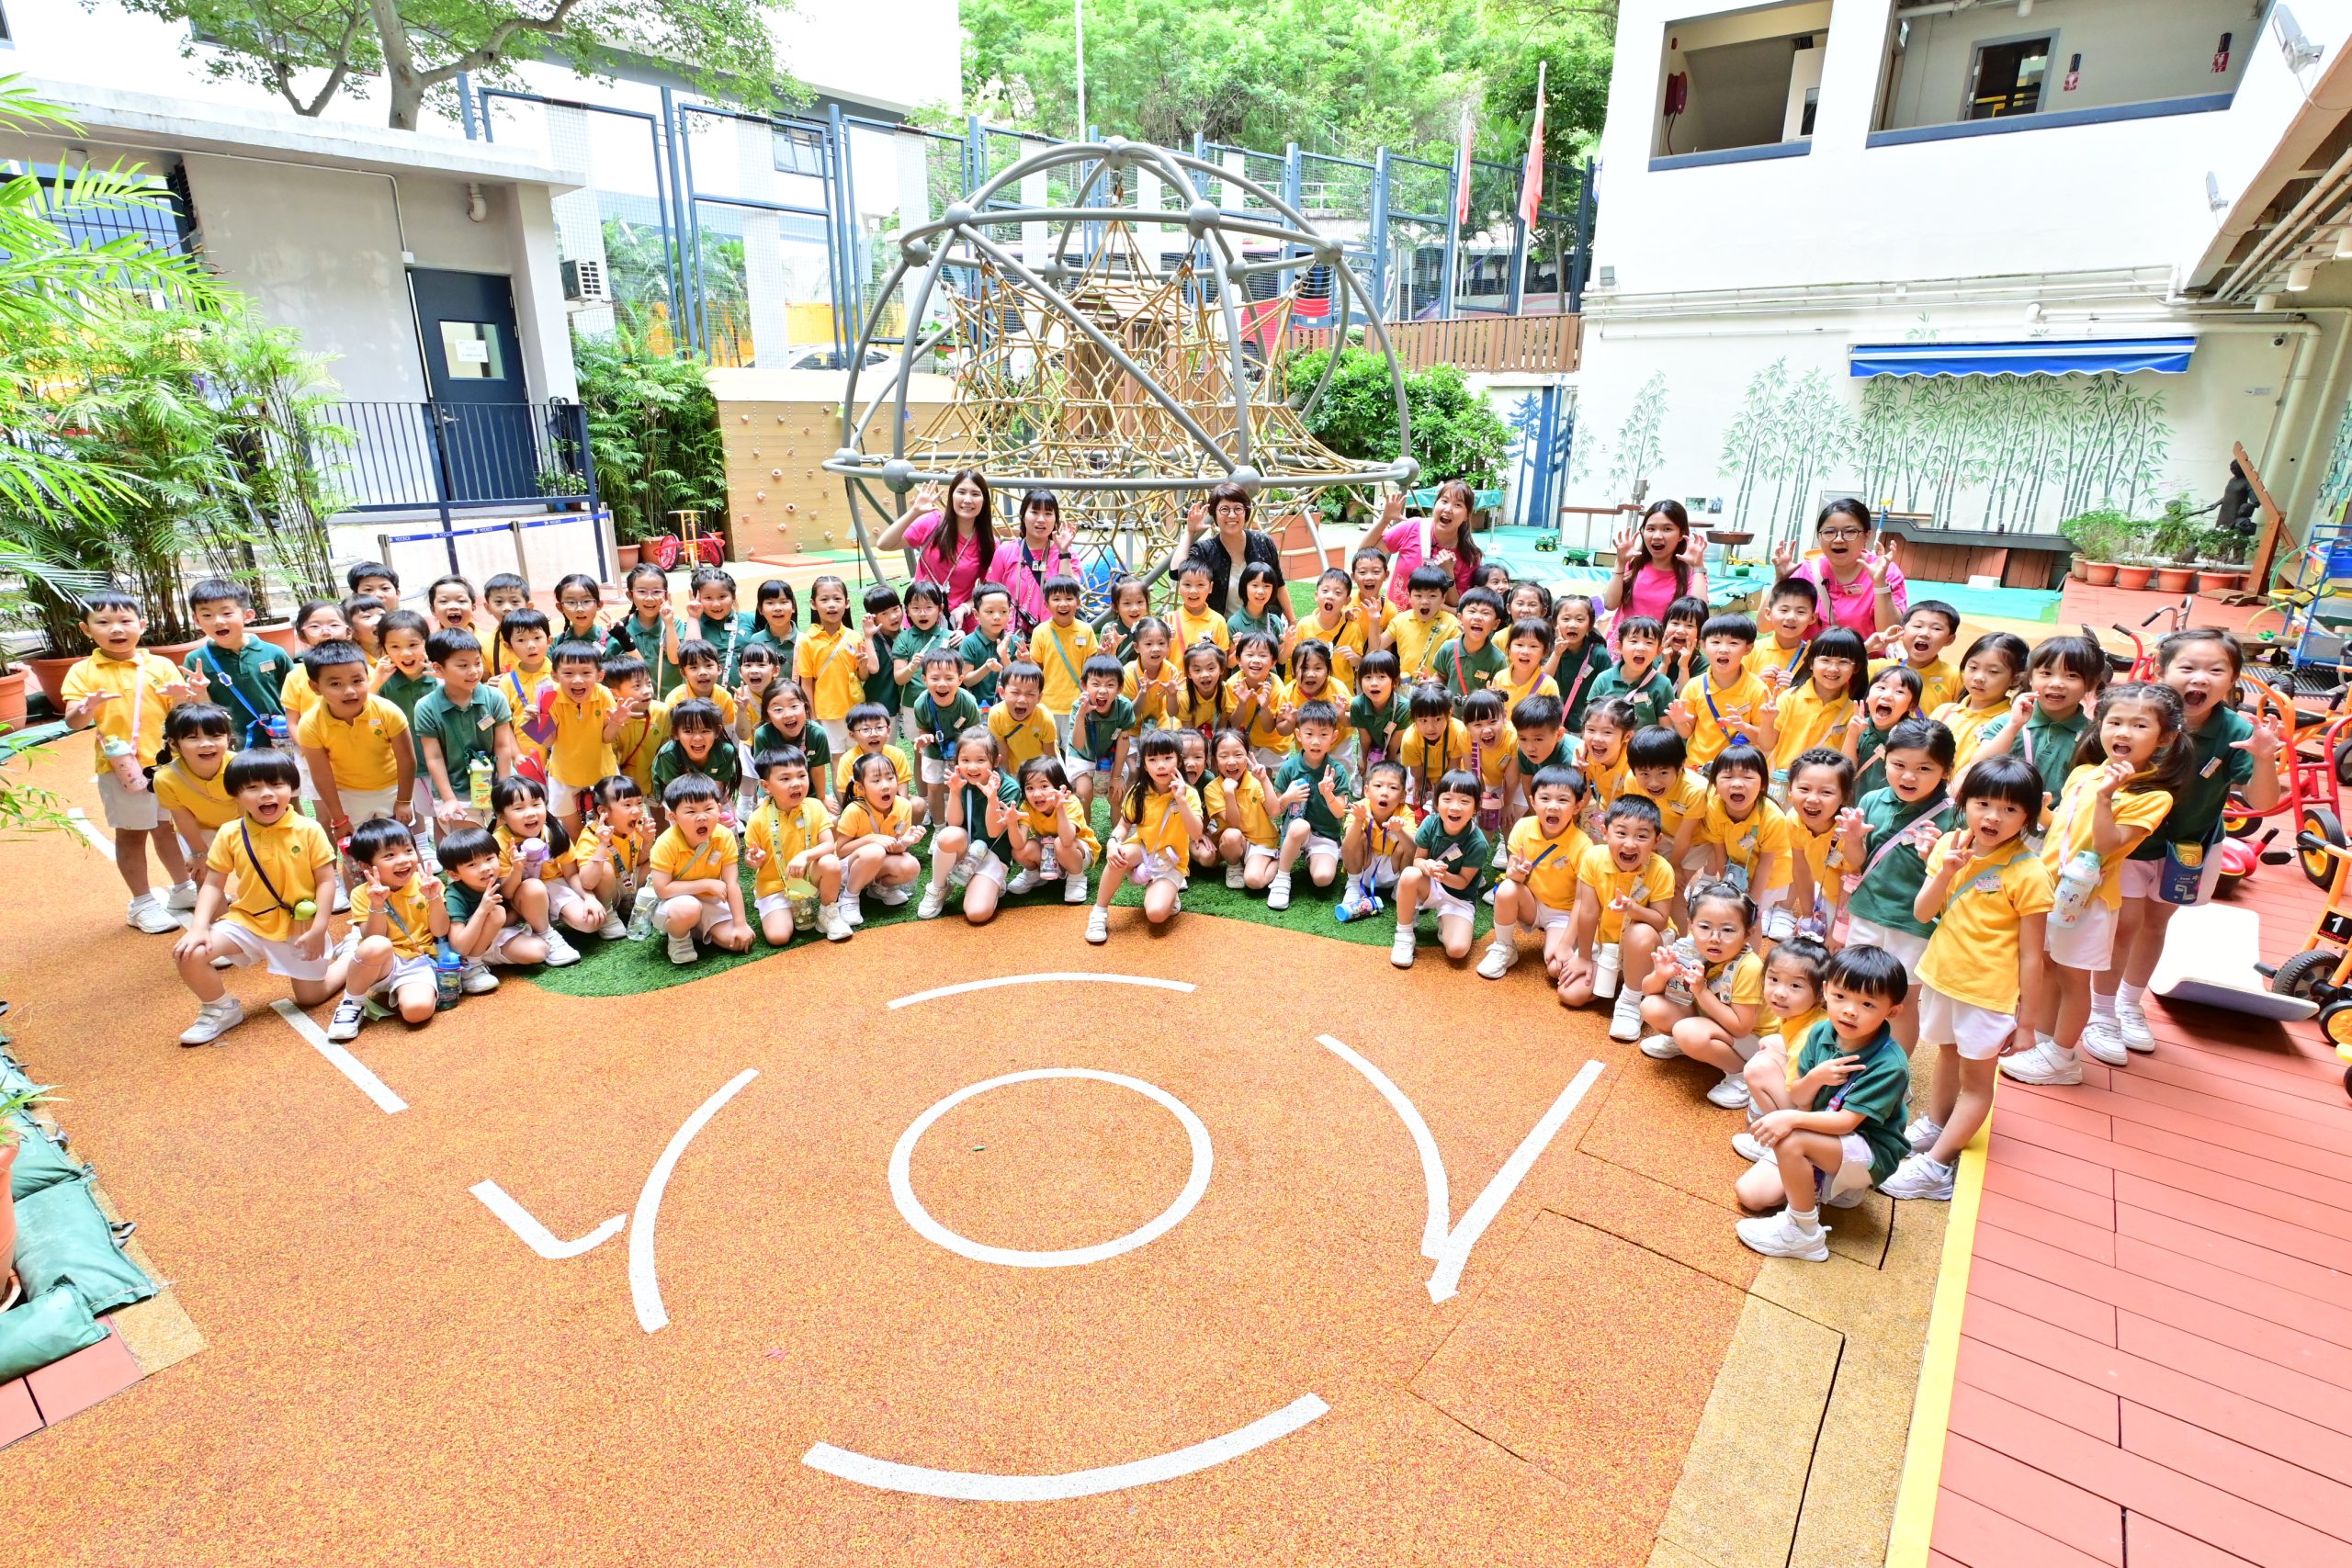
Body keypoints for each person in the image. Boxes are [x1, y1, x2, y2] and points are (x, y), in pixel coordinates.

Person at [2096, 628, 2283, 1057]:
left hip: (2187, 850)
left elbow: (2263, 802)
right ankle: (2101, 1012)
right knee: (2123, 927)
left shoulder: (2234, 730)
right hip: (2128, 843)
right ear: (2162, 671)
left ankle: (2129, 1003)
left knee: (2155, 925)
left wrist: (2263, 758)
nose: (2200, 678)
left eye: (2215, 670)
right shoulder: (2138, 715)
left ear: (2232, 680)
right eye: (2188, 667)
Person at [1881, 755, 2054, 1201]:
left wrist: (2028, 1023)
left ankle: (1937, 1167)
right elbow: (1922, 913)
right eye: (1983, 804)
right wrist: (1946, 871)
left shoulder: (2029, 872)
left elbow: (2033, 956)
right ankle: (1937, 1126)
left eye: (2010, 809)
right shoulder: (1950, 846)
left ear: (2028, 817)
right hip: (1942, 978)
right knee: (1947, 1053)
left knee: (1977, 1082)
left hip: (1989, 994)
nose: (1993, 817)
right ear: (1965, 803)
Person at [2005, 682, 2191, 1086]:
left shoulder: (2153, 795)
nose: (2124, 732)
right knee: (2049, 966)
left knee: (2074, 979)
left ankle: (2063, 1057)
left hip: (2088, 901)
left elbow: (2108, 843)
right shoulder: (2085, 773)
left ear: (2165, 738)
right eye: (2115, 722)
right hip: (2050, 888)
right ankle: (2044, 1041)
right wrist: (2044, 812)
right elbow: (2065, 830)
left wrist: (2107, 797)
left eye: (2140, 725)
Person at [1733, 944, 1912, 1263]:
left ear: (1892, 1011)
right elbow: (1801, 1097)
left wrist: (1788, 1121)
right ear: (1826, 991)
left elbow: (1846, 1123)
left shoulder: (1890, 1064)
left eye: (1867, 1004)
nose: (1850, 1011)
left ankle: (1804, 1233)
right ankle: (1833, 1184)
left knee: (1791, 1138)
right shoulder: (1821, 1032)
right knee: (1750, 1195)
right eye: (1841, 996)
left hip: (1868, 1149)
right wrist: (1816, 1077)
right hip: (1825, 1132)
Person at [171, 749, 343, 1044]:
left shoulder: (309, 830)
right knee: (190, 953)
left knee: (311, 998)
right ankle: (220, 1009)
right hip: (249, 921)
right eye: (252, 787)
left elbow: (327, 881)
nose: (266, 794)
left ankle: (351, 956)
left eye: (276, 784)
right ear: (236, 794)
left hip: (300, 927)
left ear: (291, 788)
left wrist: (319, 929)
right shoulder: (230, 833)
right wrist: (198, 927)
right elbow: (213, 883)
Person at [62, 590, 197, 930]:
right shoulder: (82, 671)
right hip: (121, 768)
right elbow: (73, 722)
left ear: (142, 624)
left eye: (125, 620)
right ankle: (142, 903)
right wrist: (86, 707)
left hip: (167, 765)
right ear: (86, 629)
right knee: (132, 835)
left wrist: (182, 699)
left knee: (168, 828)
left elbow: (181, 716)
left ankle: (183, 889)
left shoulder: (160, 665)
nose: (116, 628)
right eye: (103, 622)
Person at [1837, 716, 1955, 1050]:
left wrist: (1931, 857)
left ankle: (1895, 1071)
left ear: (1945, 771)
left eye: (1924, 768)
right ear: (1885, 759)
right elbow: (1859, 862)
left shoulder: (1954, 816)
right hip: (1867, 911)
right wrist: (1853, 839)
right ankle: (1853, 1059)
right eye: (1899, 764)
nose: (1908, 776)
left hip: (1913, 924)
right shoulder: (1872, 800)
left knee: (1900, 1002)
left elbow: (1952, 880)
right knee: (1856, 990)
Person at [1636, 877, 1765, 1108]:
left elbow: (1741, 1028)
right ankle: (1684, 1044)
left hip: (1755, 1043)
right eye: (1705, 927)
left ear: (1748, 933)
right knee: (1651, 1006)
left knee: (1688, 1032)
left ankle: (1741, 1074)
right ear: (1691, 925)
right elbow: (1647, 991)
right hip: (1714, 1021)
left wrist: (1701, 991)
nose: (1715, 938)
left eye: (1728, 930)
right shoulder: (1690, 949)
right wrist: (1661, 975)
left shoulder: (1749, 967)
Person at [327, 818, 447, 1043]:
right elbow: (374, 938)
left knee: (417, 1012)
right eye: (390, 855)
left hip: (417, 961)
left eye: (408, 850)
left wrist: (434, 899)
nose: (403, 860)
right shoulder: (362, 893)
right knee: (375, 944)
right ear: (366, 866)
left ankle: (399, 986)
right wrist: (377, 905)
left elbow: (440, 931)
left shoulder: (426, 884)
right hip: (384, 960)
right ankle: (352, 1003)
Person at [1560, 795, 1674, 1034]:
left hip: (1648, 942)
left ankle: (1630, 1002)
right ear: (1605, 833)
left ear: (1657, 841)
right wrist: (1583, 957)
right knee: (1570, 994)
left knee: (1639, 933)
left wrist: (1633, 909)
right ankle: (1627, 977)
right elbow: (1588, 911)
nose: (1630, 844)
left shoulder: (1661, 869)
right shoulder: (1593, 857)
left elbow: (1660, 920)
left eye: (1642, 836)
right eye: (1621, 833)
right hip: (1608, 943)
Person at [296, 639, 416, 858]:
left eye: (357, 680)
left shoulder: (387, 711)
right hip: (348, 793)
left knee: (400, 848)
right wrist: (339, 818)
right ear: (316, 687)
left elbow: (407, 759)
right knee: (355, 855)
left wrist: (404, 801)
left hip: (391, 788)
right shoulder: (310, 724)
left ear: (368, 677)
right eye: (336, 684)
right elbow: (321, 775)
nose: (349, 691)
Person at [1086, 729, 1204, 944]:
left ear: (1178, 761)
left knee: (1156, 914)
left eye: (1167, 758)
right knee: (1119, 855)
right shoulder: (1139, 791)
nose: (1161, 765)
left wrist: (1182, 801)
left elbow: (1196, 834)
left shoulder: (1189, 794)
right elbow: (1124, 825)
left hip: (1171, 861)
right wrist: (1113, 842)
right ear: (1145, 764)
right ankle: (1099, 912)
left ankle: (1167, 891)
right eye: (1153, 759)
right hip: (1143, 849)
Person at [1972, 633, 2105, 820]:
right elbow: (1977, 770)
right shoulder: (2005, 722)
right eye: (2046, 673)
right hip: (1997, 822)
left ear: (2092, 683)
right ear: (2030, 678)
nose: (2056, 684)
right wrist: (2013, 726)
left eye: (2071, 676)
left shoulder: (2093, 736)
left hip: (2054, 829)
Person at [1480, 762, 1591, 980]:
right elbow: (1512, 873)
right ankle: (1504, 946)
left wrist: (1566, 943)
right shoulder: (1523, 827)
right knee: (1507, 888)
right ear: (1533, 801)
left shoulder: (1583, 846)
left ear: (1577, 806)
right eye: (1545, 798)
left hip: (1562, 914)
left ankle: (1578, 948)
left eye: (1563, 800)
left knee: (1556, 969)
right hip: (1531, 904)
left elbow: (1582, 901)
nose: (1553, 806)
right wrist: (1516, 873)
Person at [412, 629, 518, 832]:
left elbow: (503, 746)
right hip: (456, 792)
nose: (473, 671)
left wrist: (504, 789)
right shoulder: (426, 707)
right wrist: (449, 799)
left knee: (504, 840)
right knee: (470, 844)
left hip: (497, 784)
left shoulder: (495, 698)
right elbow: (434, 757)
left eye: (477, 663)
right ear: (438, 668)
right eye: (463, 665)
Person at [1734, 937, 1830, 1150]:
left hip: (1820, 1112)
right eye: (1774, 979)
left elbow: (1804, 1100)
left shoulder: (1807, 1035)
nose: (1779, 992)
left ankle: (1779, 1141)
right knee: (1770, 1043)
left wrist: (1799, 1140)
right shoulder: (1808, 1015)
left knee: (1756, 1070)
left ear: (1821, 994)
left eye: (1795, 985)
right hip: (1823, 1097)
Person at [920, 731, 1023, 925]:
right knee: (948, 836)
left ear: (996, 761)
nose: (972, 767)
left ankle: (992, 884)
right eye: (965, 760)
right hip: (967, 848)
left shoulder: (1009, 788)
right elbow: (954, 824)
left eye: (981, 760)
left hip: (993, 855)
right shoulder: (961, 780)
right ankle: (938, 887)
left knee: (977, 913)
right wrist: (955, 791)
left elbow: (993, 832)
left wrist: (992, 798)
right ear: (957, 761)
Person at [489, 775, 595, 963]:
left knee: (591, 923)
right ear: (502, 816)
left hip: (554, 884)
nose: (530, 813)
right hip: (523, 893)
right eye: (519, 808)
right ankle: (545, 933)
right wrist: (516, 869)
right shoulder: (498, 842)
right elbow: (507, 893)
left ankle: (544, 919)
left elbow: (571, 873)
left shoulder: (554, 832)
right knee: (534, 887)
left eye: (536, 804)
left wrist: (589, 898)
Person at [650, 774, 755, 964]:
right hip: (674, 903)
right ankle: (678, 938)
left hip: (710, 902)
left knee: (738, 942)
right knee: (688, 909)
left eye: (708, 809)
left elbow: (732, 884)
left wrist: (741, 924)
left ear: (719, 809)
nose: (701, 817)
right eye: (690, 811)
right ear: (674, 817)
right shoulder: (665, 843)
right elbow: (662, 890)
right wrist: (706, 884)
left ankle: (696, 928)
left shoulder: (724, 836)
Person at [1770, 499, 1908, 641]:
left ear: (1867, 536)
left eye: (1850, 532)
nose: (1838, 539)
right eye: (1829, 532)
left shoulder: (1885, 571)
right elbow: (1765, 625)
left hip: (1866, 656)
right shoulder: (1805, 572)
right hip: (1812, 655)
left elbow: (1890, 634)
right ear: (1819, 536)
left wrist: (1880, 584)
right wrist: (1780, 579)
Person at [181, 578, 294, 750]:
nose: (218, 621)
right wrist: (199, 692)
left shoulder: (274, 653)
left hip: (277, 741)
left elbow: (296, 696)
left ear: (247, 615)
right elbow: (200, 712)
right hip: (230, 747)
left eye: (226, 613)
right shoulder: (196, 660)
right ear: (196, 620)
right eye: (207, 615)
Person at [1391, 769, 1488, 967]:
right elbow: (1418, 860)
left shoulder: (1478, 843)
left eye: (1464, 801)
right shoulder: (1430, 823)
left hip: (1459, 898)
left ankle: (1447, 922)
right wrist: (1425, 865)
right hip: (1430, 885)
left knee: (1457, 951)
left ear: (1476, 807)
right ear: (1436, 803)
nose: (1455, 807)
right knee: (1409, 874)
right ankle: (1404, 934)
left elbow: (1463, 883)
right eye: (1447, 799)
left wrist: (1443, 876)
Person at [743, 745, 837, 947]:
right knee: (778, 937)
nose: (796, 783)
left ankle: (828, 913)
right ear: (766, 786)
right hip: (776, 886)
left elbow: (829, 845)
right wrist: (754, 860)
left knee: (830, 862)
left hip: (810, 880)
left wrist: (805, 856)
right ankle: (778, 908)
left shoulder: (815, 806)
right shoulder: (757, 819)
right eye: (785, 779)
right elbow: (751, 859)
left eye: (802, 775)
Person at [1266, 700, 1354, 910]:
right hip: (1296, 832)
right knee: (1300, 826)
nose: (1316, 741)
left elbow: (1339, 813)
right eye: (1309, 734)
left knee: (1323, 879)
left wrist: (1328, 794)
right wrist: (1288, 797)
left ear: (1334, 736)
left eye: (1323, 734)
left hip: (1325, 835)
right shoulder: (1289, 767)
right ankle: (1282, 878)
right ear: (1298, 735)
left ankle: (1314, 856)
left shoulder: (1337, 771)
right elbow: (1275, 811)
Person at [1758, 627, 1865, 794]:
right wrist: (1767, 720)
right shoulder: (1789, 698)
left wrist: (1853, 733)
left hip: (1821, 795)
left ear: (1856, 667)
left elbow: (1848, 766)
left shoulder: (1854, 712)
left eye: (1843, 662)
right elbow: (1766, 745)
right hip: (1781, 789)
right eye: (1825, 660)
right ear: (1810, 663)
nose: (1833, 668)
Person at [879, 470, 998, 619]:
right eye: (961, 492)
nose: (967, 500)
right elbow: (884, 544)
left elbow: (989, 590)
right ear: (952, 495)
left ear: (984, 500)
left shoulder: (989, 542)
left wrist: (964, 608)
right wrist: (914, 511)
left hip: (957, 622)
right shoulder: (932, 522)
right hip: (920, 619)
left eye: (975, 494)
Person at [830, 750, 922, 931]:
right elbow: (840, 851)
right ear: (861, 787)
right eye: (876, 780)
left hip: (876, 862)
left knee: (911, 865)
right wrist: (871, 838)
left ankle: (878, 889)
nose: (886, 785)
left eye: (890, 778)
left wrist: (905, 842)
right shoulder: (855, 810)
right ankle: (849, 897)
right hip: (847, 869)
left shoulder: (903, 805)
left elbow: (895, 849)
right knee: (875, 850)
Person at [542, 640, 628, 834]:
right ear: (554, 676)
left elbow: (607, 738)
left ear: (600, 675)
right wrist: (539, 720)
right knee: (573, 830)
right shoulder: (548, 696)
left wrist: (616, 722)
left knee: (609, 825)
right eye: (568, 673)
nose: (578, 680)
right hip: (563, 774)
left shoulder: (603, 694)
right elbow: (549, 741)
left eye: (586, 673)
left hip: (602, 772)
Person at [438, 823, 538, 982]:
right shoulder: (454, 895)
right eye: (472, 864)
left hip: (493, 938)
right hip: (467, 947)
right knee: (496, 911)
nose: (485, 868)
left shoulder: (492, 878)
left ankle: (484, 958)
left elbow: (508, 894)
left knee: (539, 951)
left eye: (489, 859)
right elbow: (458, 947)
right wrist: (483, 910)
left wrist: (517, 870)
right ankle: (471, 966)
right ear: (454, 874)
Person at [1668, 613, 1768, 768]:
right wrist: (1679, 721)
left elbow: (1765, 740)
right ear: (1704, 645)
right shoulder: (1694, 686)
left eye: (1733, 643)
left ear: (1748, 648)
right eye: (1715, 642)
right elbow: (1686, 733)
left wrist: (1743, 727)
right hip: (1697, 768)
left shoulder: (1758, 689)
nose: (1723, 649)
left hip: (1736, 770)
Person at [1932, 631, 2030, 784]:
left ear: (2016, 679)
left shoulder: (2011, 722)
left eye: (1993, 672)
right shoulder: (1944, 711)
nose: (1979, 678)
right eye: (1973, 667)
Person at [795, 575, 874, 750]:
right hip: (826, 712)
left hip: (854, 710)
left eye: (837, 599)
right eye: (824, 599)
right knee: (836, 757)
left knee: (858, 755)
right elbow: (806, 683)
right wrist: (812, 715)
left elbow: (862, 677)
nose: (831, 605)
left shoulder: (854, 637)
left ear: (847, 603)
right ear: (813, 604)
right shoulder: (808, 641)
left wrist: (863, 666)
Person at [153, 704, 240, 864]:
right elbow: (184, 820)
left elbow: (247, 810)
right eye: (193, 737)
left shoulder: (241, 766)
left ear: (228, 738)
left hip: (240, 824)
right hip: (199, 830)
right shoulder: (166, 779)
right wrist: (199, 853)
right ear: (174, 744)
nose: (206, 744)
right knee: (204, 870)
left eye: (216, 736)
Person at [1183, 480, 1286, 615]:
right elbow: (1176, 572)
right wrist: (1190, 532)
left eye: (1238, 508)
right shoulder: (1205, 551)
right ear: (1215, 515)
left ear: (1246, 512)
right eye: (1224, 509)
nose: (1232, 515)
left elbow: (1279, 584)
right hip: (1222, 626)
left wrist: (1292, 620)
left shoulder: (1263, 542)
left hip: (1263, 624)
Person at [1006, 756, 1099, 903]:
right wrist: (1011, 823)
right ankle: (1034, 874)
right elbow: (1018, 845)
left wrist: (1059, 808)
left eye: (1044, 786)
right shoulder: (1027, 807)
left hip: (1077, 851)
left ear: (1059, 786)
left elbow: (1067, 840)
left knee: (1060, 843)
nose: (1037, 794)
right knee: (1020, 851)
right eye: (1030, 788)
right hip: (1048, 850)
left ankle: (1076, 877)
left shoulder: (1070, 802)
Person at [1604, 500, 1709, 629]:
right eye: (1651, 529)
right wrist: (1620, 563)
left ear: (1681, 535)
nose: (1657, 536)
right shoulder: (1632, 563)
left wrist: (1698, 567)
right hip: (1626, 640)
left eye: (1667, 529)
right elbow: (1610, 604)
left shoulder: (1692, 572)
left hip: (1665, 642)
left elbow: (1699, 615)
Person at [1379, 481, 1484, 607]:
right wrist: (1384, 520)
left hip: (1436, 620)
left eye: (1458, 505)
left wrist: (1448, 573)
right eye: (1444, 501)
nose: (1448, 509)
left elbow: (1460, 608)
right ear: (1435, 504)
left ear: (1467, 515)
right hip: (1395, 618)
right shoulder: (1412, 527)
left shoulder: (1470, 557)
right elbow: (1367, 552)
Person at [988, 488, 1079, 632]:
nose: (1041, 519)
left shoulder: (1068, 553)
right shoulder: (1005, 552)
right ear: (1023, 516)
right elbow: (990, 594)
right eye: (1034, 512)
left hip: (1054, 635)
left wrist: (1063, 552)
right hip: (1012, 636)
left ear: (1056, 520)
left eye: (1048, 513)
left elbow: (1070, 593)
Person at [1029, 572, 1101, 747]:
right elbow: (1036, 669)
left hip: (1077, 705)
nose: (1063, 604)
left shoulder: (1086, 630)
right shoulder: (1040, 632)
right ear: (1046, 604)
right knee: (1047, 752)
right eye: (1056, 599)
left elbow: (1092, 669)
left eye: (1069, 598)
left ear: (1078, 603)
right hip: (1047, 705)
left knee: (1074, 751)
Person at [1207, 728, 1281, 892]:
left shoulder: (1256, 781)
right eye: (1224, 756)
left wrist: (1265, 780)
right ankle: (1234, 866)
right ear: (1215, 760)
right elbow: (1233, 823)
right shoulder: (1212, 789)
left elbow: (1275, 811)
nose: (1231, 761)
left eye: (1238, 755)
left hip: (1261, 842)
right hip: (1235, 844)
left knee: (1254, 881)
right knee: (1231, 835)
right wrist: (1229, 793)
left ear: (1247, 756)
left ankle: (1281, 861)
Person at [1843, 664, 1922, 799]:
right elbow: (1846, 770)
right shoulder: (1861, 724)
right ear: (1868, 696)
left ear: (1912, 705)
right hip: (1857, 804)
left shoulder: (1913, 737)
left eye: (1899, 692)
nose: (1887, 696)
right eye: (1881, 688)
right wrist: (1852, 734)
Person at [1871, 601, 1962, 714]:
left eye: (1936, 628)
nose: (1924, 633)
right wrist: (1867, 648)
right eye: (1918, 626)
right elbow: (1850, 665)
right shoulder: (1879, 668)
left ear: (1949, 639)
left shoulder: (1957, 677)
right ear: (1901, 632)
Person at [606, 562, 683, 697]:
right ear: (630, 595)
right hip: (638, 705)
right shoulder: (621, 629)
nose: (649, 598)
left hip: (675, 702)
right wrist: (623, 637)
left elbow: (677, 658)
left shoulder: (675, 624)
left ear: (666, 595)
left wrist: (669, 624)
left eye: (656, 591)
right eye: (642, 591)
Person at [1588, 615, 1676, 728]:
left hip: (1643, 741)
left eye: (1649, 643)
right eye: (1634, 641)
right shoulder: (1603, 679)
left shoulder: (1663, 684)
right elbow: (1589, 717)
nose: (1641, 648)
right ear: (1619, 647)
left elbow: (1666, 728)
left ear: (1658, 651)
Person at [1430, 588, 1508, 700]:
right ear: (1460, 618)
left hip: (1480, 711)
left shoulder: (1498, 660)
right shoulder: (1447, 648)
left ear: (1495, 624)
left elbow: (1498, 694)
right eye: (1472, 611)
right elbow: (1441, 676)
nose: (1477, 617)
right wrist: (1430, 685)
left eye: (1485, 613)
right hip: (1449, 710)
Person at [1387, 566, 1462, 682]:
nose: (1425, 601)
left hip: (1437, 688)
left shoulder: (1452, 624)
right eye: (1418, 596)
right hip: (1406, 687)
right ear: (1409, 596)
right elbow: (1376, 646)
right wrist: (1374, 621)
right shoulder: (1400, 620)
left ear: (1443, 598)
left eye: (1432, 596)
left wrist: (1434, 681)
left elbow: (1457, 664)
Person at [985, 662, 1060, 773]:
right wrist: (1006, 779)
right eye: (1015, 692)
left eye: (1030, 694)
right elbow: (1002, 754)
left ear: (1039, 697)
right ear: (1002, 693)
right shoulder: (996, 715)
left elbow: (1050, 756)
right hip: (1015, 769)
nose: (1022, 700)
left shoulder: (1045, 718)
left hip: (1042, 768)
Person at [959, 584, 1023, 708]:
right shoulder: (969, 642)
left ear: (1010, 613)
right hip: (978, 709)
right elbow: (966, 680)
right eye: (990, 612)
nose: (997, 617)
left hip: (1010, 709)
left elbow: (1020, 681)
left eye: (1003, 611)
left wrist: (1005, 658)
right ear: (976, 614)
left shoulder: (1015, 641)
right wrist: (986, 668)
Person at [1170, 558, 1233, 657]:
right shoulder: (1169, 620)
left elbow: (1222, 659)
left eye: (1200, 585)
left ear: (1210, 587)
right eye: (1187, 585)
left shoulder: (1218, 621)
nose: (1193, 591)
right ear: (1179, 587)